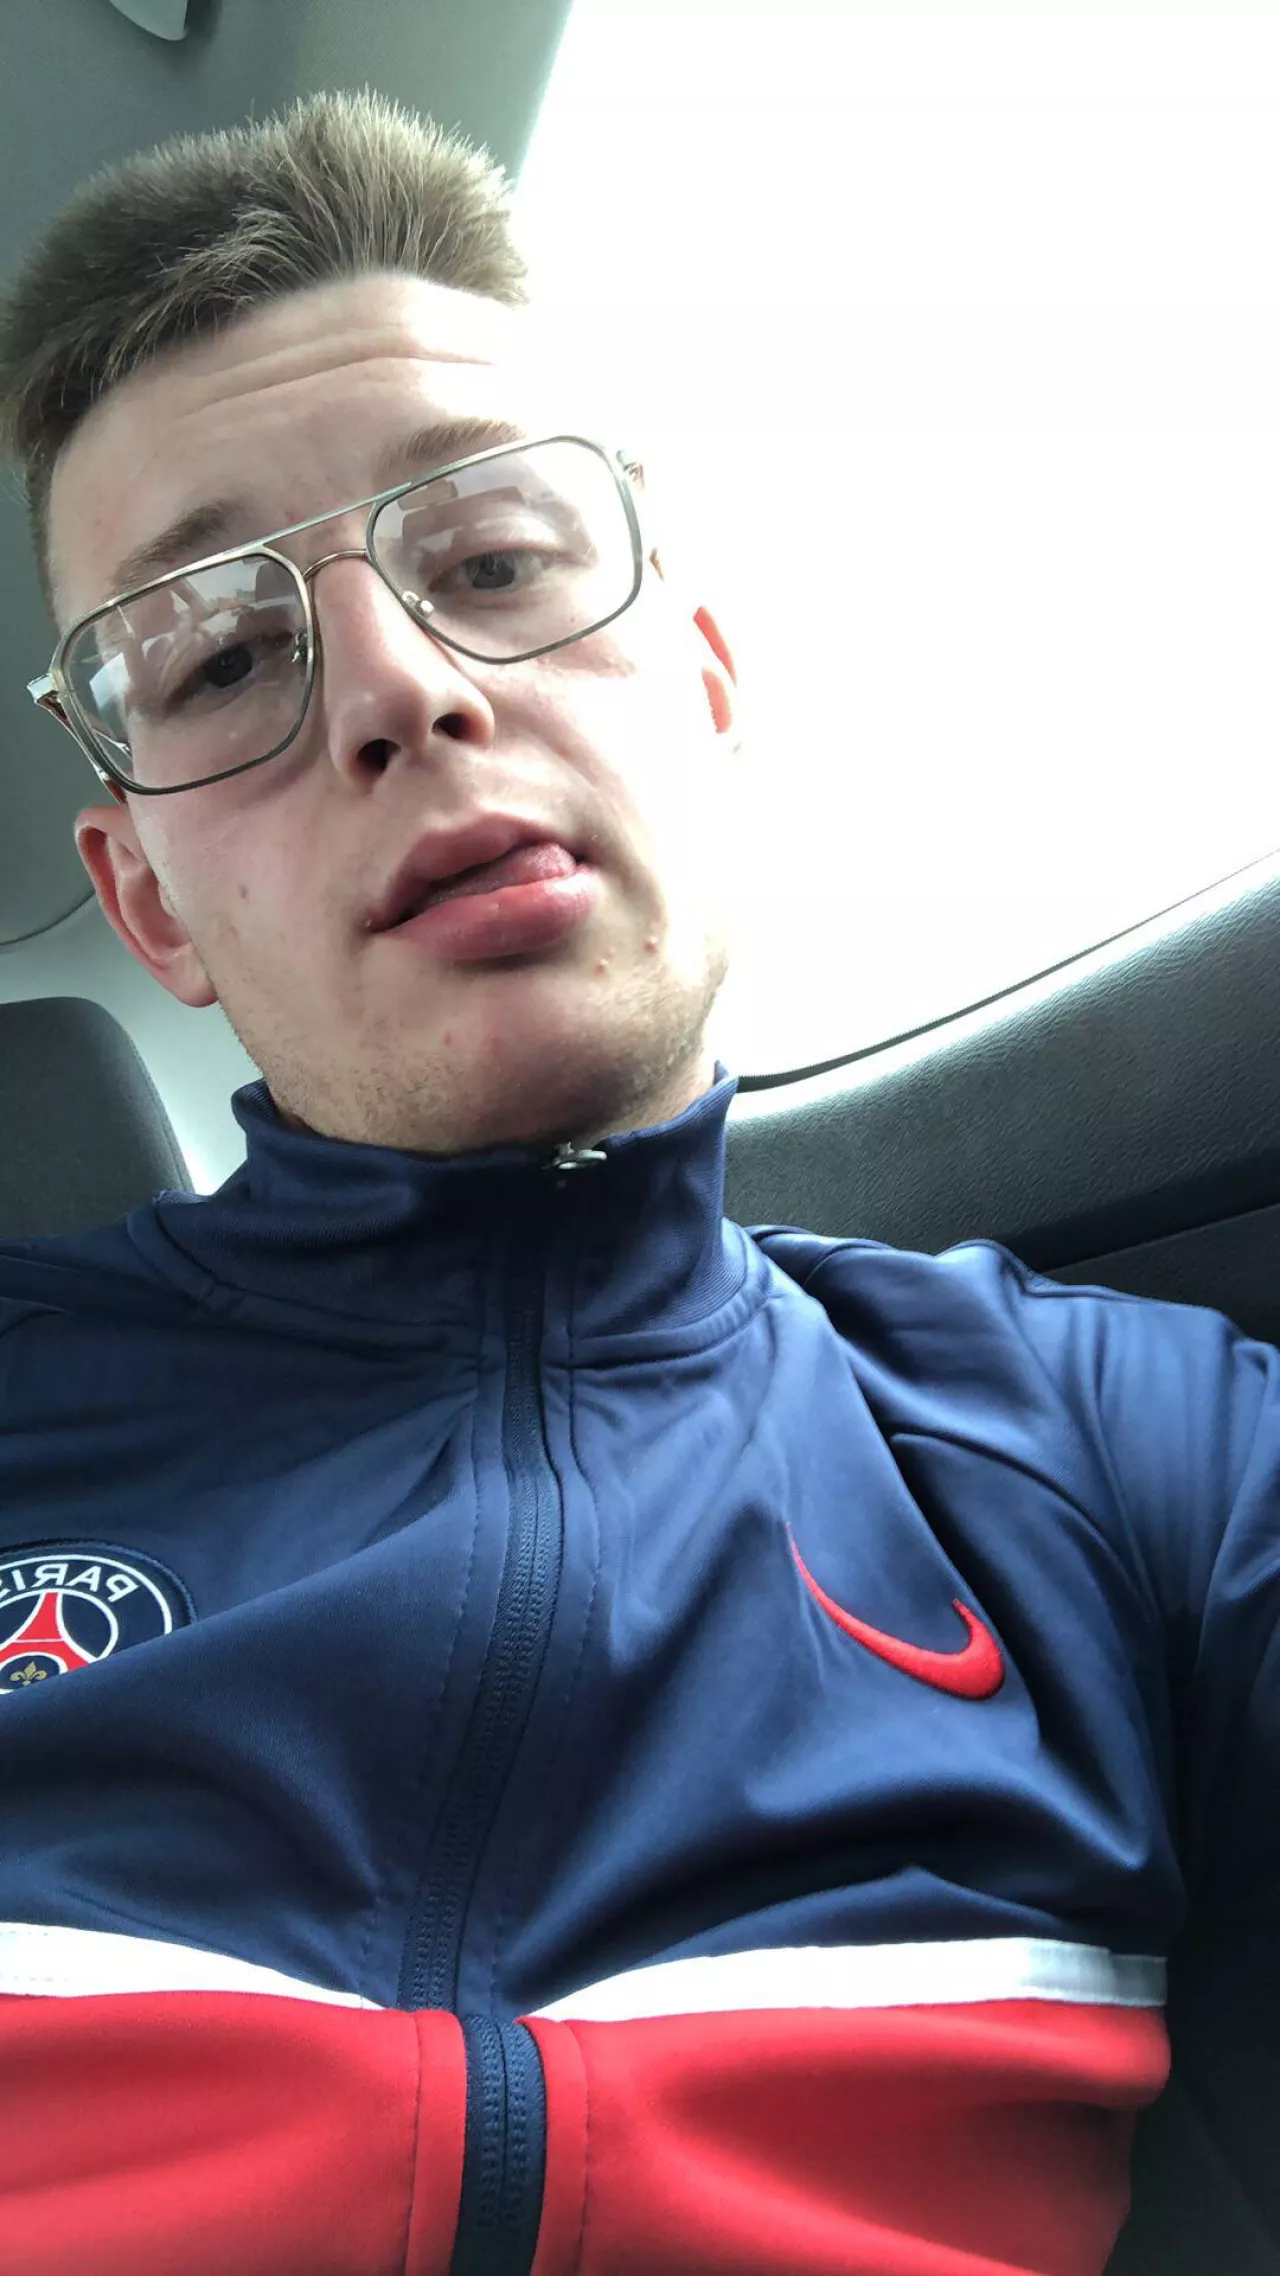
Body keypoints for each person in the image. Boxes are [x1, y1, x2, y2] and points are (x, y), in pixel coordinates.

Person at [0, 89, 1274, 2276]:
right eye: (223, 655)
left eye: (491, 558)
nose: (402, 688)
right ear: (149, 906)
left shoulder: (1109, 1444)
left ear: (702, 684)